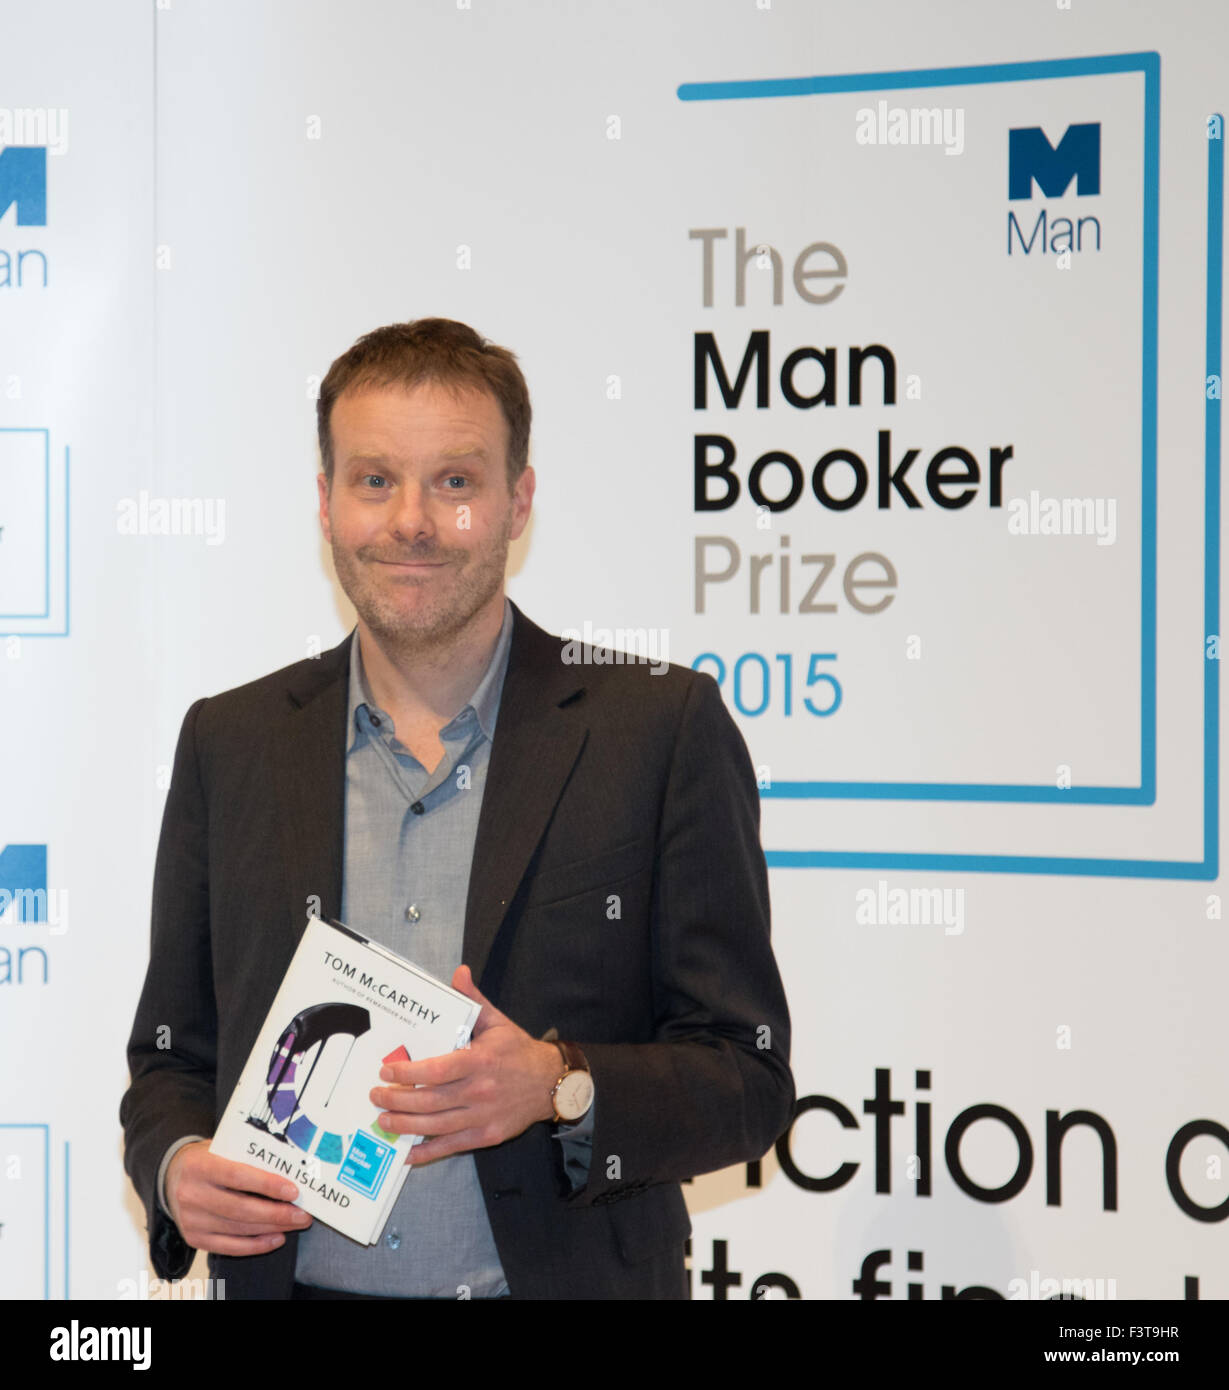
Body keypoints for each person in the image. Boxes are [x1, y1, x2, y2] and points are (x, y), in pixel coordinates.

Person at [119, 317, 794, 1300]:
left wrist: (561, 1085)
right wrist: (177, 1167)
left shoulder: (656, 729)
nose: (411, 521)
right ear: (325, 502)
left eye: (455, 481)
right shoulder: (233, 741)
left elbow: (748, 1081)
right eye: (375, 479)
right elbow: (172, 1057)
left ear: (518, 500)